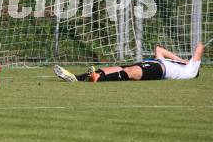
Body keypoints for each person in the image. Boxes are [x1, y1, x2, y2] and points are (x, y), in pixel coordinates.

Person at [54, 42, 205, 82]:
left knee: (129, 73)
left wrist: (188, 62)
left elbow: (200, 48)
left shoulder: (191, 71)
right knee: (113, 68)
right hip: (152, 63)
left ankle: (97, 79)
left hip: (159, 71)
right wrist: (180, 60)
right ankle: (76, 77)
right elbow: (159, 49)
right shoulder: (181, 65)